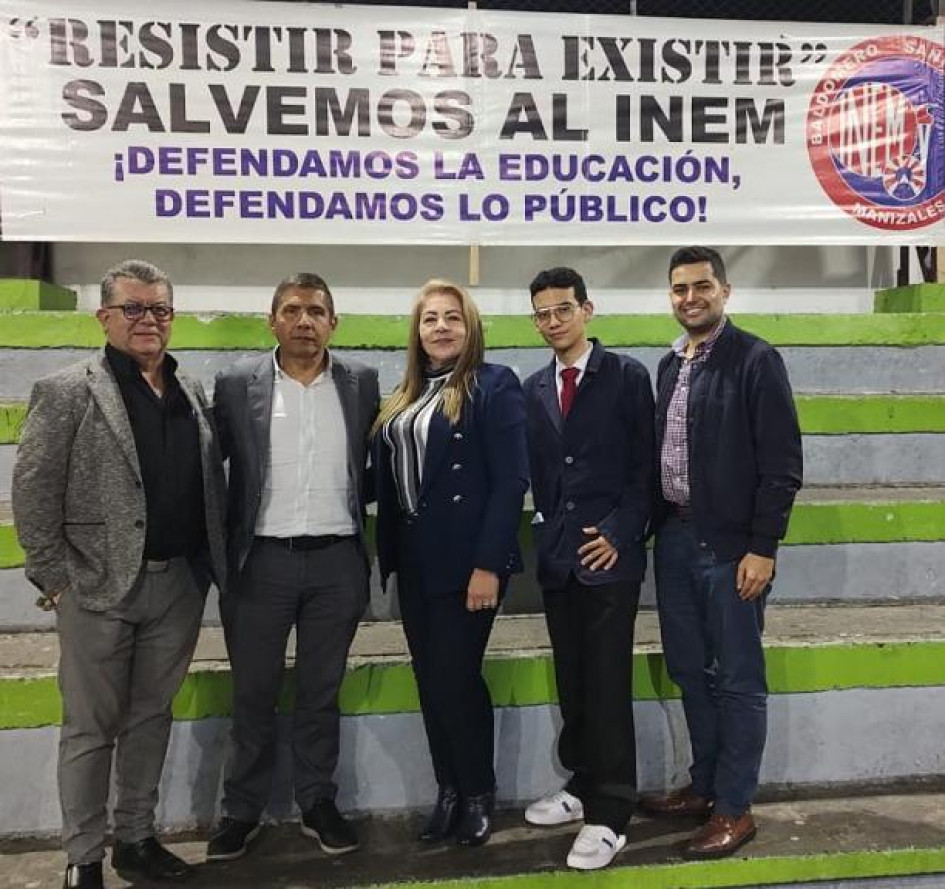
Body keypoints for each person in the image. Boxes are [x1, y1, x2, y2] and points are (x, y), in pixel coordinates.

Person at [12, 260, 227, 889]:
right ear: (104, 317)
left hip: (179, 587)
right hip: (96, 590)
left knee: (150, 719)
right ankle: (84, 858)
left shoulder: (190, 392)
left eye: (159, 309)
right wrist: (56, 582)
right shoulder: (68, 390)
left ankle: (136, 838)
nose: (148, 321)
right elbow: (33, 492)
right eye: (133, 309)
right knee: (89, 728)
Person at [207, 274, 379, 862]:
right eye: (292, 310)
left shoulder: (361, 383)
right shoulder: (235, 385)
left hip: (337, 562)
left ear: (334, 322)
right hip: (261, 564)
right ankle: (241, 810)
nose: (304, 320)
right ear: (271, 320)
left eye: (316, 311)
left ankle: (317, 802)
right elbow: (209, 472)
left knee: (319, 691)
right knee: (253, 693)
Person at [640, 246, 803, 859]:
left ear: (725, 291)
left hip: (731, 548)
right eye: (679, 289)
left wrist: (763, 548)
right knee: (688, 669)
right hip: (676, 541)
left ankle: (735, 808)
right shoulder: (668, 365)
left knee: (737, 681)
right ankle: (704, 785)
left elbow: (783, 465)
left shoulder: (756, 360)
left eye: (701, 286)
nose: (690, 298)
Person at [372, 279, 528, 847]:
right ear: (417, 331)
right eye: (431, 318)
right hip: (414, 559)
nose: (441, 327)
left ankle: (479, 792)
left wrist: (489, 564)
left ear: (471, 329)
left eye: (453, 318)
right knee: (431, 681)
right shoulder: (404, 394)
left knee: (457, 679)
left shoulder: (494, 385)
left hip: (469, 563)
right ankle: (449, 791)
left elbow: (512, 481)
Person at [521, 267, 655, 871]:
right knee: (573, 682)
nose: (553, 321)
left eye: (562, 310)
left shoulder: (626, 376)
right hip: (558, 560)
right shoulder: (533, 388)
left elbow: (645, 471)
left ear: (587, 309)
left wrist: (622, 535)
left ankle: (611, 813)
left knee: (606, 687)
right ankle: (580, 784)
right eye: (543, 314)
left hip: (610, 559)